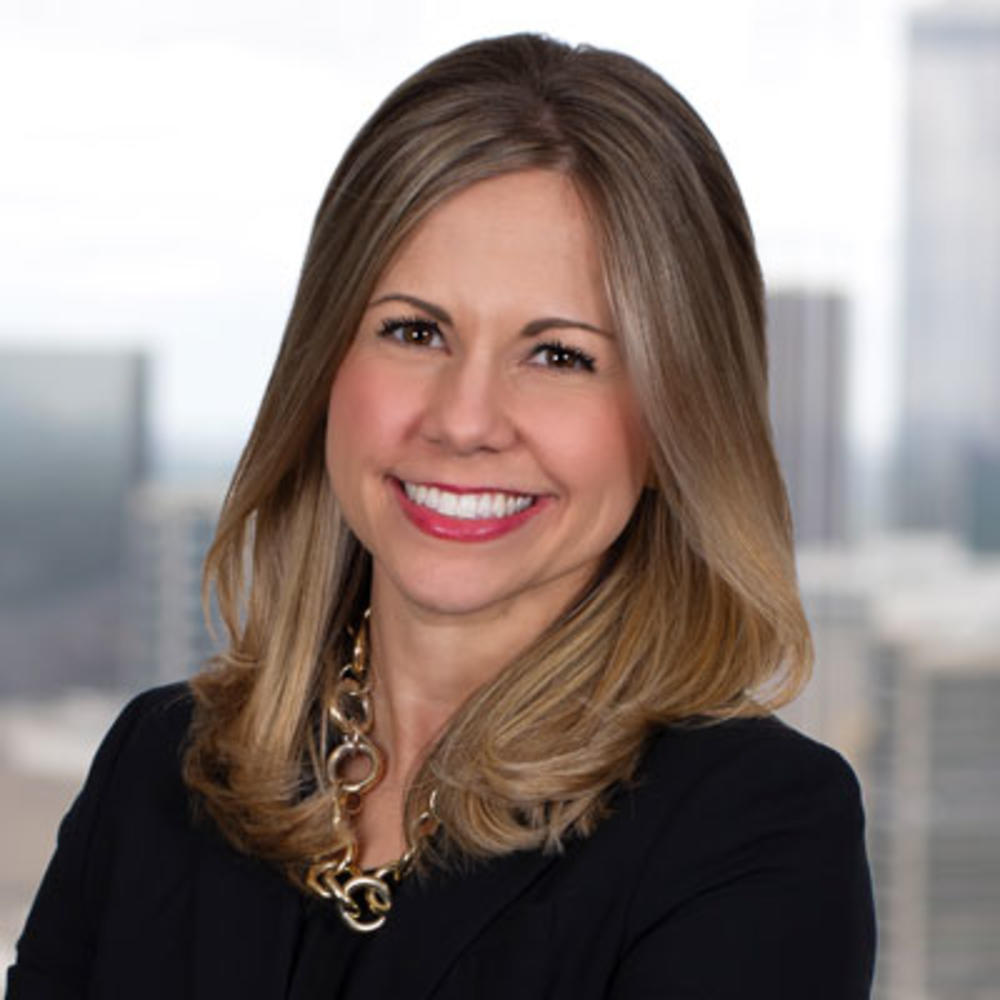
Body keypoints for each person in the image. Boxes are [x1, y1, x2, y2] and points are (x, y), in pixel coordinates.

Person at [7, 32, 875, 999]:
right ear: (324, 367)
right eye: (415, 331)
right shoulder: (158, 769)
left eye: (560, 355)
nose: (463, 420)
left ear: (679, 423)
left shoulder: (753, 831)